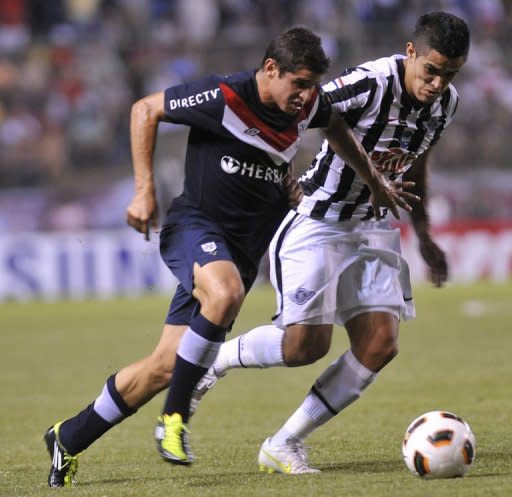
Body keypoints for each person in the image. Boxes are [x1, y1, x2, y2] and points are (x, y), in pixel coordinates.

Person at [43, 26, 410, 487]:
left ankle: (68, 437)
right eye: (298, 83)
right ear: (270, 69)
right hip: (194, 228)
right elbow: (145, 109)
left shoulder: (309, 105)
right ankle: (173, 420)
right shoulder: (223, 96)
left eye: (313, 85)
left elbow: (336, 128)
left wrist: (372, 181)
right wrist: (143, 192)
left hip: (239, 249)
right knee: (226, 291)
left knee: (164, 366)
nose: (306, 95)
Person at [190, 11, 470, 474]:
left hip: (373, 226)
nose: (438, 84)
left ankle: (284, 444)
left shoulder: (447, 104)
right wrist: (280, 176)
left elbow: (416, 162)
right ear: (411, 53)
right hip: (319, 220)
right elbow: (300, 108)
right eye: (432, 71)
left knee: (380, 344)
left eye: (450, 74)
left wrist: (424, 234)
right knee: (304, 347)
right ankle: (213, 360)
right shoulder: (371, 83)